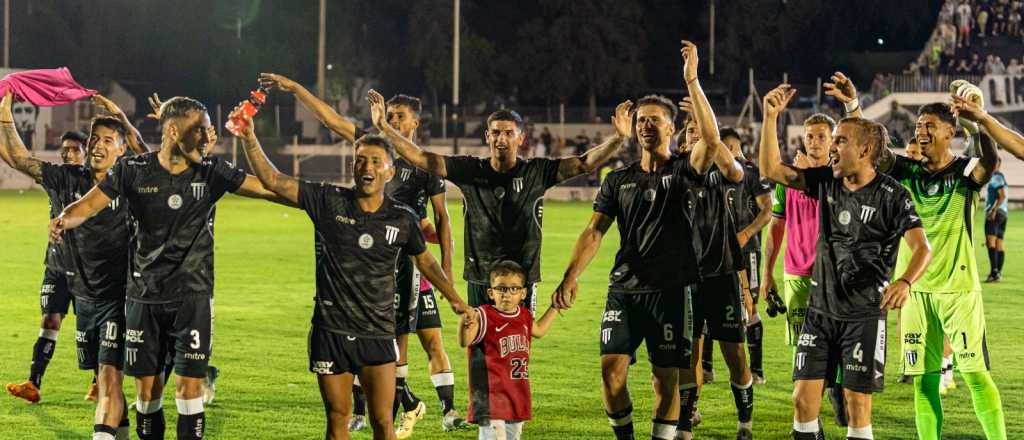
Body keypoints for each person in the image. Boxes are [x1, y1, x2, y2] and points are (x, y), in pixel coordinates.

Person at [49, 96, 289, 440]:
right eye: (203, 128)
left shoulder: (212, 172)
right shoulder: (133, 170)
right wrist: (63, 219)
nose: (210, 135)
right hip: (144, 298)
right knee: (147, 396)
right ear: (175, 131)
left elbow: (271, 188)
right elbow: (87, 206)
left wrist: (251, 140)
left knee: (189, 392)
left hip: (192, 298)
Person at [236, 106, 471, 440]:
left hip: (377, 333)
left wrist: (457, 301)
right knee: (337, 420)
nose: (368, 167)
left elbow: (426, 262)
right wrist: (249, 137)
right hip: (330, 331)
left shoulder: (402, 219)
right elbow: (273, 180)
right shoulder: (327, 200)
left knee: (383, 422)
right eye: (361, 160)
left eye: (376, 162)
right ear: (352, 165)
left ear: (390, 172)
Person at [760, 83, 931, 440]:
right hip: (820, 312)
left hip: (864, 315)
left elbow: (921, 249)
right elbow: (774, 170)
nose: (832, 148)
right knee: (802, 402)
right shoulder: (825, 182)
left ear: (865, 150)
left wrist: (904, 282)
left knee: (856, 406)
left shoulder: (893, 196)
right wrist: (770, 117)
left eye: (840, 141)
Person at [365, 90, 624, 316]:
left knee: (516, 352)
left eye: (509, 133)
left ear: (520, 138)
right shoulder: (469, 169)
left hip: (521, 281)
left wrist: (618, 139)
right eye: (496, 133)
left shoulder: (537, 171)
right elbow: (422, 158)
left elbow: (584, 163)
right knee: (479, 354)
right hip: (479, 278)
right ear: (487, 136)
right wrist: (383, 129)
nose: (502, 139)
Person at [3, 93, 147, 407]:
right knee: (89, 353)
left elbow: (147, 156)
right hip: (79, 286)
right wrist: (4, 118)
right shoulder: (68, 178)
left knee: (118, 370)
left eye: (108, 140)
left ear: (121, 148)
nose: (97, 145)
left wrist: (122, 117)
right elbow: (19, 159)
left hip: (121, 289)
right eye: (95, 138)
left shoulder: (132, 179)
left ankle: (187, 376)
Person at [671, 41, 751, 440]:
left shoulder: (721, 170)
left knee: (735, 352)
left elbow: (723, 153)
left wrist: (693, 83)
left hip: (720, 272)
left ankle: (744, 419)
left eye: (696, 133)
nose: (693, 138)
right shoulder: (673, 171)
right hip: (684, 276)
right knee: (689, 352)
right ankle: (687, 417)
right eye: (687, 133)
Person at [701, 127, 773, 385]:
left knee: (749, 307)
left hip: (747, 250)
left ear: (729, 148)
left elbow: (767, 211)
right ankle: (706, 368)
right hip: (715, 250)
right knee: (708, 305)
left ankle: (757, 370)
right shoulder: (710, 173)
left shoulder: (753, 173)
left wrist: (745, 234)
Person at [458, 260, 560, 440]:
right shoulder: (483, 315)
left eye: (514, 288)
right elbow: (464, 341)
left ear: (523, 293)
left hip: (517, 394)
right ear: (491, 292)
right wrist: (464, 323)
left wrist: (555, 306)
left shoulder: (524, 315)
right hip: (491, 397)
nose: (507, 294)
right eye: (501, 288)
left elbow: (539, 330)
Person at [985, 161, 1008, 283]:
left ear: (997, 164)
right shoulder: (1001, 177)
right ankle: (997, 273)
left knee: (990, 242)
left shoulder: (996, 177)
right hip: (1003, 213)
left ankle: (994, 272)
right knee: (999, 244)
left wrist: (993, 210)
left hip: (996, 213)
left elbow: (1002, 195)